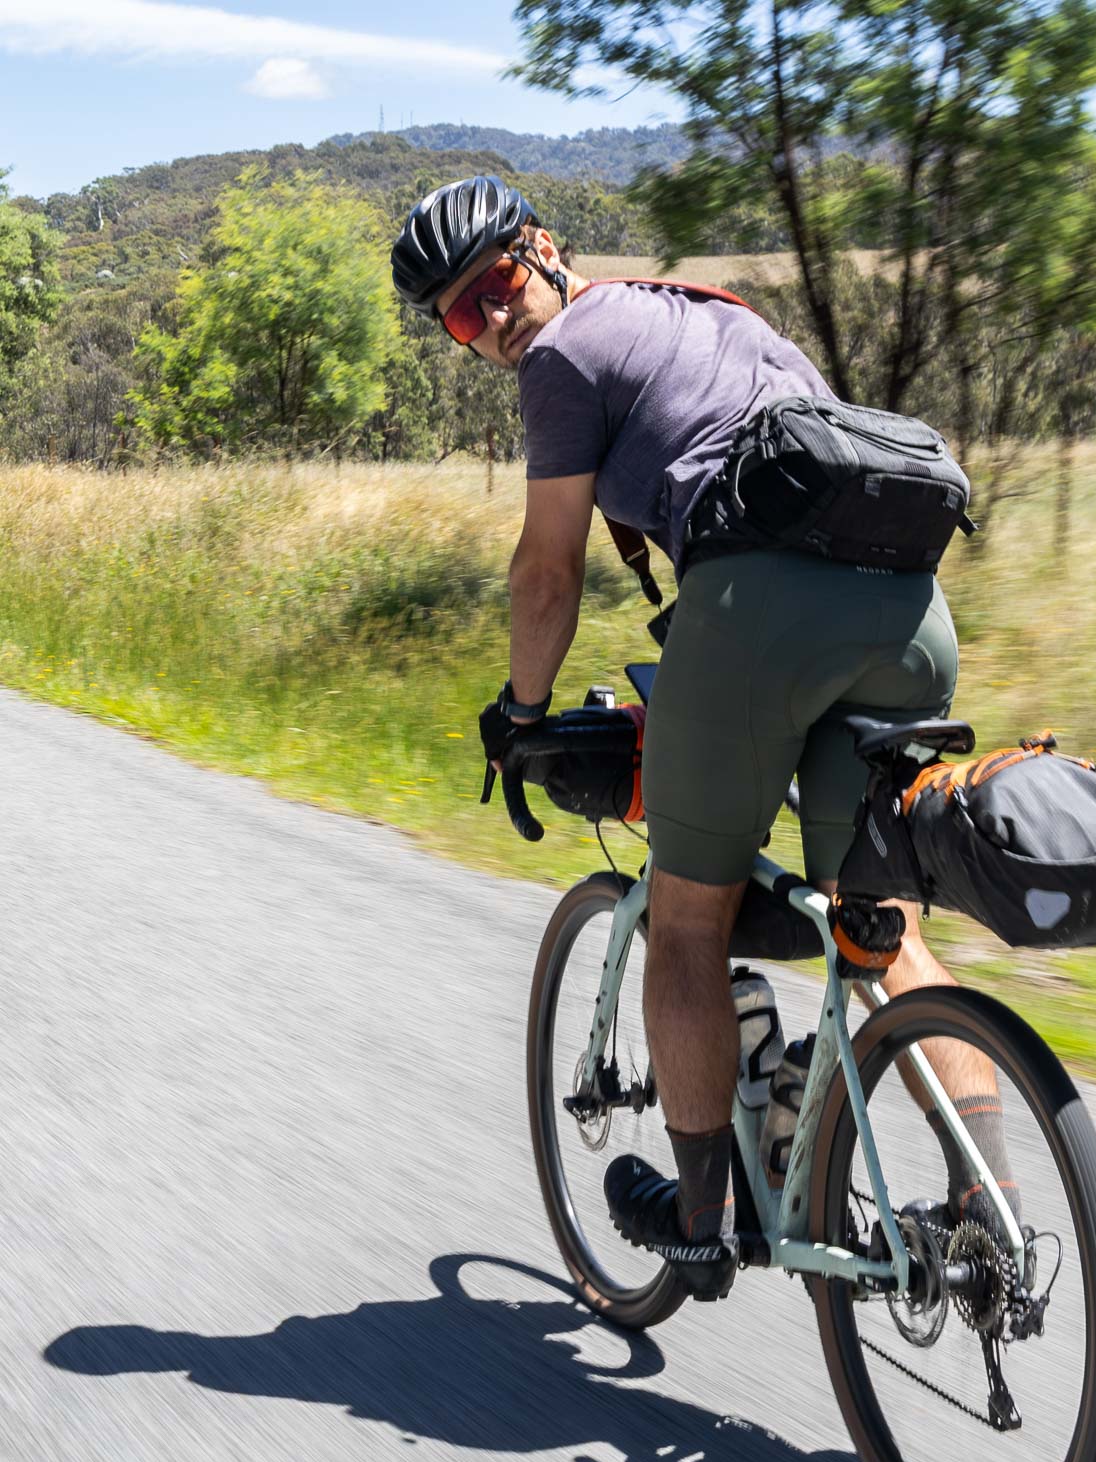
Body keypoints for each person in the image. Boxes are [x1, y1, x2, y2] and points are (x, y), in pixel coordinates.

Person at [392, 175, 1019, 1294]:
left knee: (684, 921)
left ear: (541, 249)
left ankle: (698, 1224)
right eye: (457, 313)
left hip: (759, 619)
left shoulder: (562, 355)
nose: (488, 322)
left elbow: (544, 573)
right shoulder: (715, 310)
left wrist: (519, 714)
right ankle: (995, 1217)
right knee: (872, 925)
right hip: (912, 619)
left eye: (492, 285)